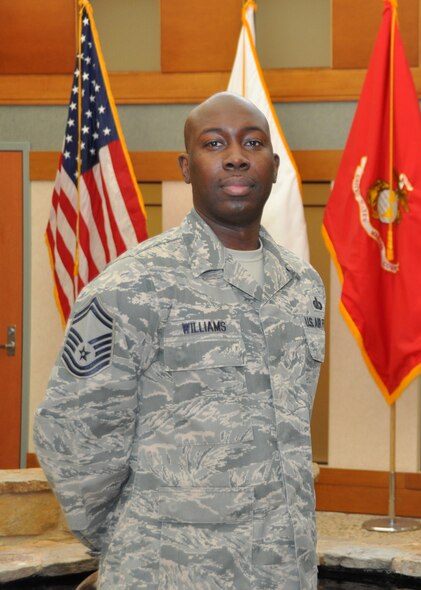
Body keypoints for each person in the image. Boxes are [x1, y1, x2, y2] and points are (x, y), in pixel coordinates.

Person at [35, 92, 325, 589]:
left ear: (275, 167)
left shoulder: (302, 286)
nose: (236, 156)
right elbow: (75, 435)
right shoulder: (133, 285)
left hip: (283, 570)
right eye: (214, 144)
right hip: (170, 571)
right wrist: (129, 541)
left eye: (252, 143)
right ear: (186, 168)